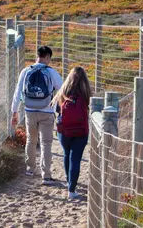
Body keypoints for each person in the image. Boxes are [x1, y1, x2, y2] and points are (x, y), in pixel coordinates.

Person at [11, 46, 63, 185]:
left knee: (31, 140)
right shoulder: (51, 72)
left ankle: (30, 168)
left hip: (29, 111)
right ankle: (46, 175)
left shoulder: (26, 71)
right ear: (47, 57)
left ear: (37, 55)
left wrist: (14, 111)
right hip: (47, 112)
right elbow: (62, 89)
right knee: (46, 144)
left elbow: (17, 93)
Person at [52, 67, 92, 199]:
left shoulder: (63, 92)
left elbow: (57, 109)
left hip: (64, 131)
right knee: (76, 159)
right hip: (81, 131)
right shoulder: (86, 94)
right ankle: (71, 189)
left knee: (67, 154)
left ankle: (69, 180)